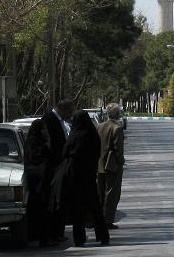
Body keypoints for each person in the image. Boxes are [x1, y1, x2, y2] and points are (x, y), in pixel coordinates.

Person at [54, 110, 110, 247]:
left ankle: (79, 239)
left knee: (76, 210)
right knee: (95, 208)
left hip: (75, 178)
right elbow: (97, 153)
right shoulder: (93, 135)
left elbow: (65, 153)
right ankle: (103, 236)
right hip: (90, 177)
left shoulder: (74, 136)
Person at [40, 98, 75, 242]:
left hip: (61, 166)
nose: (71, 114)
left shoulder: (61, 121)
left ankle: (57, 233)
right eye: (70, 111)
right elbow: (50, 144)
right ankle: (52, 233)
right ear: (62, 109)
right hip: (53, 168)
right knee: (54, 203)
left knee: (60, 202)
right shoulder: (49, 119)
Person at [23, 119, 53, 246]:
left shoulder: (35, 142)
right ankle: (40, 237)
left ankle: (41, 237)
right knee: (40, 209)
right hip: (37, 182)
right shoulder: (34, 143)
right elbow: (36, 158)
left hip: (40, 182)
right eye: (43, 129)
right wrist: (46, 147)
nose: (45, 131)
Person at [97, 103, 125, 230]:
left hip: (100, 164)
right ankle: (107, 220)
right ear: (117, 114)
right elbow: (118, 149)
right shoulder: (117, 128)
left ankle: (99, 219)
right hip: (112, 165)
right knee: (111, 193)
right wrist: (121, 162)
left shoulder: (100, 126)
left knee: (101, 192)